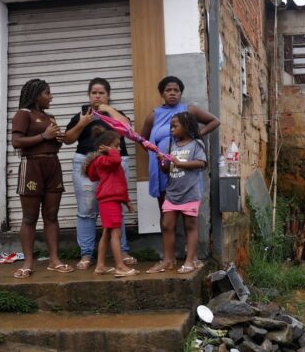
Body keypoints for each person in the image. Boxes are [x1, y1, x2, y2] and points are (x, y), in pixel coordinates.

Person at [64, 78, 137, 270]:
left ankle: (123, 251)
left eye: (101, 93)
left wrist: (108, 110)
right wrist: (82, 123)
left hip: (115, 163)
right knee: (86, 210)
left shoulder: (116, 113)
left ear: (108, 95)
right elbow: (68, 139)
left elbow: (128, 130)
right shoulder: (82, 115)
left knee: (116, 205)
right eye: (94, 93)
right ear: (89, 95)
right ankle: (86, 253)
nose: (97, 96)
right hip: (88, 162)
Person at [11, 78, 74, 278]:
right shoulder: (23, 114)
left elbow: (54, 144)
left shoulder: (49, 117)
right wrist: (44, 136)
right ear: (36, 95)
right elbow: (16, 141)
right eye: (47, 93)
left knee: (52, 215)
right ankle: (28, 263)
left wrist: (58, 139)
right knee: (29, 217)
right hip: (32, 166)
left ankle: (54, 260)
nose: (51, 97)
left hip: (52, 165)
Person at [140, 76, 220, 208]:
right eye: (168, 90)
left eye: (176, 90)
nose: (172, 93)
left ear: (180, 93)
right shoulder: (154, 115)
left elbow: (215, 121)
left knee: (187, 207)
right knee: (165, 209)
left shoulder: (188, 110)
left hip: (185, 166)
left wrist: (196, 136)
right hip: (164, 167)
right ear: (162, 94)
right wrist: (156, 153)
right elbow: (142, 139)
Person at [147, 112, 207, 274]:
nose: (171, 129)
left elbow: (201, 163)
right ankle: (168, 260)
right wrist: (162, 162)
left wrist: (180, 163)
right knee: (166, 225)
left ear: (186, 126)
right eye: (171, 127)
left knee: (190, 226)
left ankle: (190, 260)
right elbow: (167, 170)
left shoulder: (196, 144)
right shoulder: (171, 145)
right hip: (172, 193)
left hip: (190, 193)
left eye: (175, 126)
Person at [83, 127, 139, 277]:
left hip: (112, 200)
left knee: (107, 233)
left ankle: (100, 266)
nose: (119, 149)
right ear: (105, 146)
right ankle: (120, 266)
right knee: (116, 234)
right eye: (116, 146)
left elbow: (119, 183)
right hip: (109, 202)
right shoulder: (102, 160)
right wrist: (111, 151)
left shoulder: (109, 161)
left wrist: (126, 200)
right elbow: (116, 160)